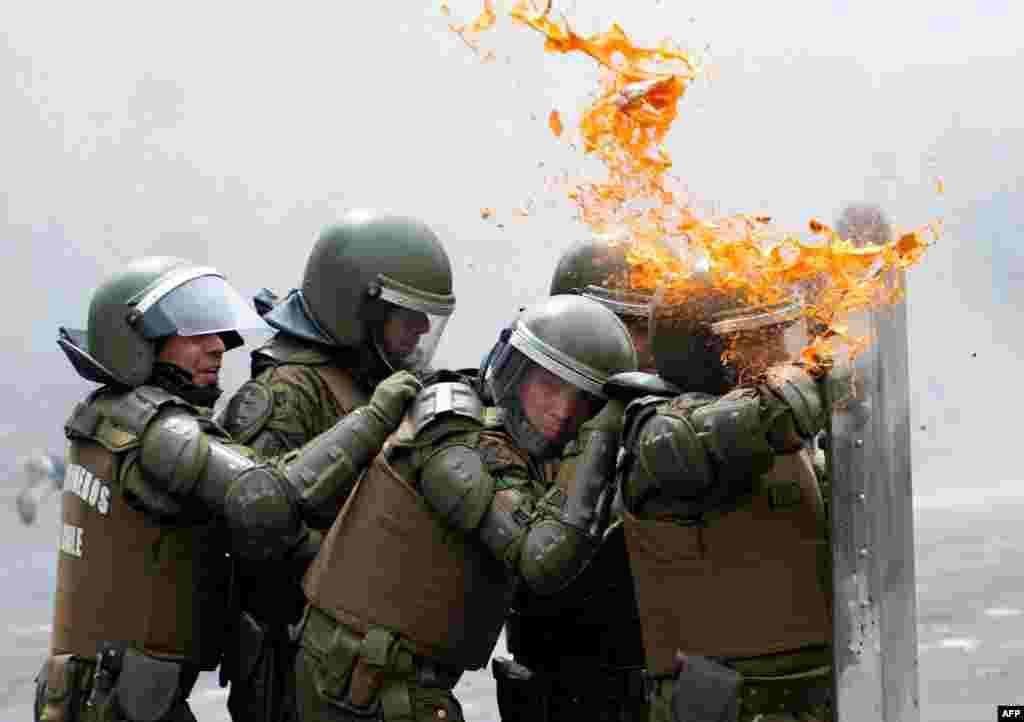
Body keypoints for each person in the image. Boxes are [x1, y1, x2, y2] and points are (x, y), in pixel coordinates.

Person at [35, 256, 420, 722]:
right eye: (194, 335)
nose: (218, 347)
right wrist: (375, 418)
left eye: (216, 333)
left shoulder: (107, 416)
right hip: (120, 701)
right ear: (138, 341)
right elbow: (263, 500)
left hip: (100, 695)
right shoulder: (155, 430)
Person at [295, 294, 638, 722]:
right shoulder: (452, 438)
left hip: (376, 672)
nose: (563, 412)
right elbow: (543, 559)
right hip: (369, 682)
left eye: (584, 401)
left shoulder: (501, 437)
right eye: (550, 386)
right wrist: (602, 435)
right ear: (516, 373)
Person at [216, 211, 457, 722]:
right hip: (291, 664)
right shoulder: (285, 391)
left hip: (361, 663)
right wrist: (356, 564)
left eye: (425, 320)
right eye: (405, 316)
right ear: (357, 308)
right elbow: (254, 532)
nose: (418, 333)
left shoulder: (374, 380)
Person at [618, 274, 847, 722]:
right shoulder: (662, 433)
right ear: (704, 351)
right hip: (720, 707)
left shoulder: (786, 443)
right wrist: (822, 372)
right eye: (759, 341)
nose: (780, 354)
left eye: (780, 335)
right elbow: (731, 427)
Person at [494, 237, 671, 722]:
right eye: (631, 325)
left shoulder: (661, 421)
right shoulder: (525, 424)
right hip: (560, 686)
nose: (645, 345)